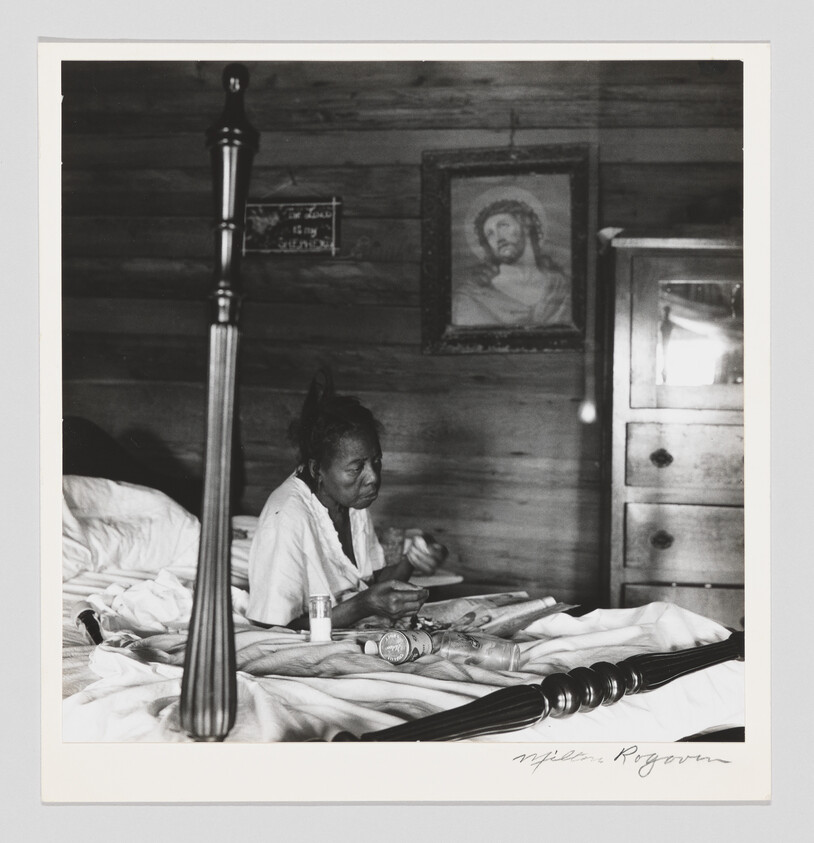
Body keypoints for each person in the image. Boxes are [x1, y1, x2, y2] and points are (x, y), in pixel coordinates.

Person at [247, 369, 448, 630]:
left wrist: (413, 559)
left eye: (376, 462)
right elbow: (269, 629)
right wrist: (361, 606)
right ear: (317, 469)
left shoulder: (351, 502)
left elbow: (372, 582)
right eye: (357, 468)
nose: (372, 478)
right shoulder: (286, 516)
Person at [452, 197, 572, 327]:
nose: (498, 238)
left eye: (503, 226)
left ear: (525, 225)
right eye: (490, 234)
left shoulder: (562, 287)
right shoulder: (472, 297)